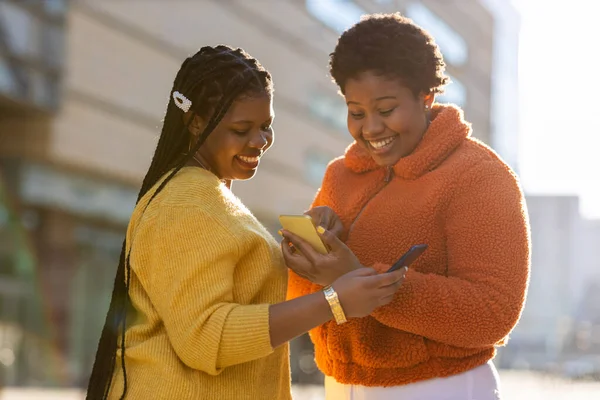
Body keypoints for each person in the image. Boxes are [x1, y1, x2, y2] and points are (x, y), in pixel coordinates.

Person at [85, 45, 406, 400]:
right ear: (195, 123)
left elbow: (238, 292)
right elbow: (207, 338)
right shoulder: (185, 203)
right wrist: (335, 302)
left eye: (266, 126)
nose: (259, 141)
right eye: (241, 129)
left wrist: (305, 242)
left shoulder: (210, 196)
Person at [284, 13, 530, 400]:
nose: (371, 129)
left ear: (425, 96)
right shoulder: (341, 176)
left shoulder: (479, 176)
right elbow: (304, 300)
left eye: (385, 110)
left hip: (438, 388)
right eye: (356, 112)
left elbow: (491, 312)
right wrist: (308, 249)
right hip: (340, 387)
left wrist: (367, 282)